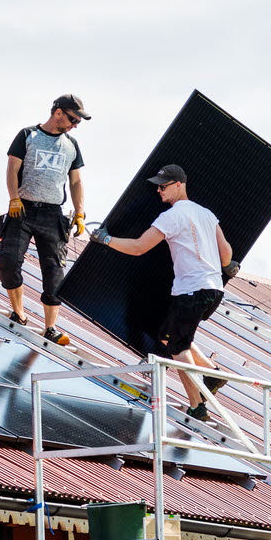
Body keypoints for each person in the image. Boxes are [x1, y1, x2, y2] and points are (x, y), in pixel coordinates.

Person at [94, 164, 239, 417]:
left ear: (179, 185)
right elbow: (225, 251)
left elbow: (139, 247)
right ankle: (213, 375)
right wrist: (227, 266)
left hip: (192, 289)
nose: (159, 190)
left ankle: (197, 407)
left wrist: (106, 239)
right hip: (212, 289)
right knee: (166, 335)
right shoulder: (206, 214)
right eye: (158, 186)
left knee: (177, 347)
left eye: (163, 186)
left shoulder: (171, 217)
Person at [0, 94, 91, 344]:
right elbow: (12, 169)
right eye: (73, 119)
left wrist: (80, 212)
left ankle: (50, 327)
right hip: (23, 209)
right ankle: (19, 313)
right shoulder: (28, 135)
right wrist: (13, 198)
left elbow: (76, 181)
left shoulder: (71, 145)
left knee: (54, 273)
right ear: (58, 112)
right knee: (8, 262)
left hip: (53, 214)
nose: (74, 125)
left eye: (78, 122)